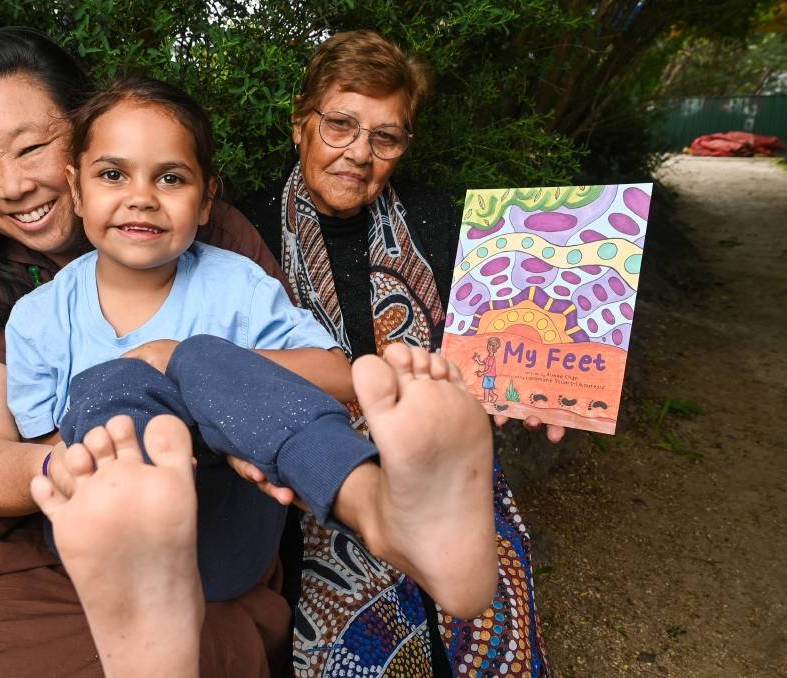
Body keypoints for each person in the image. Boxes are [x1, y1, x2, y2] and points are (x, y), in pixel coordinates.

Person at [5, 75, 495, 612]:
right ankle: (148, 599)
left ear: (207, 198)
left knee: (196, 355)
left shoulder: (237, 285)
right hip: (102, 543)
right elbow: (46, 454)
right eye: (113, 174)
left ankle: (381, 512)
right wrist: (167, 437)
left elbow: (337, 372)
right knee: (118, 381)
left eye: (170, 178)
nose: (141, 198)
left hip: (229, 536)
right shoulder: (38, 318)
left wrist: (198, 369)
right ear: (76, 190)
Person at [0, 28, 297, 677]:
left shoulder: (198, 230)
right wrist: (89, 465)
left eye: (31, 148)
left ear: (88, 129)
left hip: (206, 534)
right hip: (41, 554)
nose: (13, 185)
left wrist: (200, 388)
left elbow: (301, 373)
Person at [237, 29, 559, 677]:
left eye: (386, 136)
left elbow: (488, 357)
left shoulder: (440, 220)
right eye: (340, 125)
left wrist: (529, 385)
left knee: (478, 615)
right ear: (300, 120)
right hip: (313, 494)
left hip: (445, 478)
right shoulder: (244, 231)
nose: (360, 153)